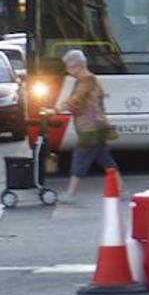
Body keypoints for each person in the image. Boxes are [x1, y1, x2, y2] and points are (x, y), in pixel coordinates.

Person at [59, 49, 117, 203]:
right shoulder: (89, 79)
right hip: (96, 125)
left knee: (79, 158)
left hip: (89, 128)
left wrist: (57, 109)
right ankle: (121, 188)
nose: (67, 70)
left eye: (68, 66)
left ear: (76, 65)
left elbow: (76, 99)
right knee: (105, 160)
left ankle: (70, 194)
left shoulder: (86, 79)